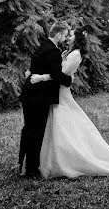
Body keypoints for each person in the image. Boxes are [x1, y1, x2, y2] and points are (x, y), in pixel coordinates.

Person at [29, 29, 109, 179]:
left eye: (72, 35)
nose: (68, 37)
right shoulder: (68, 53)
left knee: (63, 122)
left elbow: (60, 76)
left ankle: (66, 160)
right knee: (57, 123)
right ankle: (50, 158)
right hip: (57, 92)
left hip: (61, 93)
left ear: (78, 39)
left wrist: (40, 77)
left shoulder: (75, 55)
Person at [18, 22, 74, 179]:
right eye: (64, 35)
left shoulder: (43, 47)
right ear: (58, 35)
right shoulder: (52, 51)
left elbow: (39, 69)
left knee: (28, 130)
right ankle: (31, 170)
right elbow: (57, 76)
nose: (65, 38)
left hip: (30, 93)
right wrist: (69, 80)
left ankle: (23, 165)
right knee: (36, 132)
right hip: (38, 97)